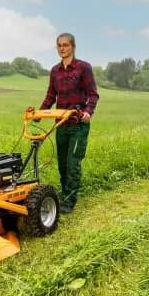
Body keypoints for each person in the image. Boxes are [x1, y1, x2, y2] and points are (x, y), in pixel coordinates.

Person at [39, 32, 99, 214]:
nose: (62, 48)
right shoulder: (55, 71)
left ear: (73, 46)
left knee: (73, 164)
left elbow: (93, 94)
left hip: (78, 124)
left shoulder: (83, 68)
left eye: (65, 45)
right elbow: (51, 95)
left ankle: (69, 200)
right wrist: (38, 112)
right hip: (61, 124)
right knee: (63, 164)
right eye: (59, 45)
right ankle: (66, 193)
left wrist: (88, 112)